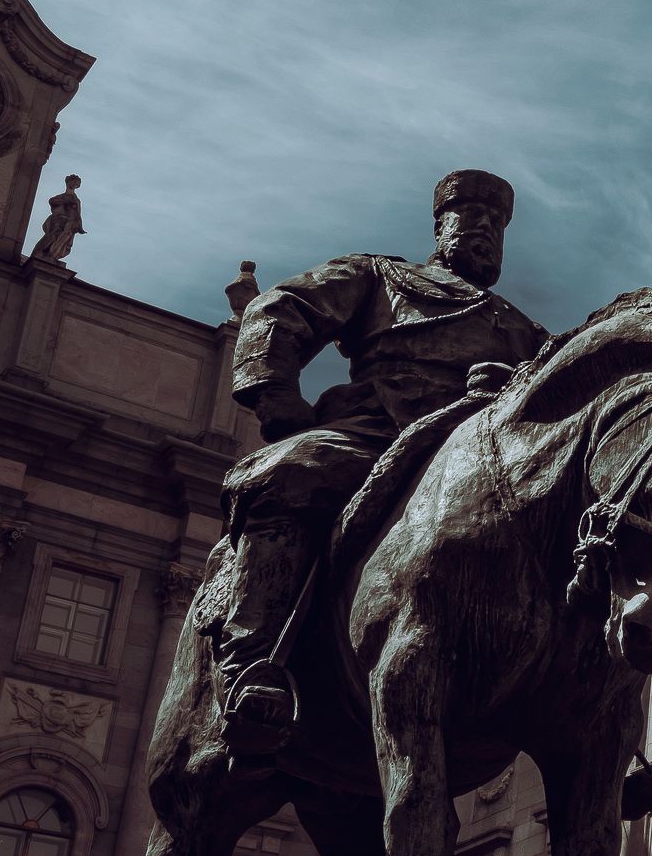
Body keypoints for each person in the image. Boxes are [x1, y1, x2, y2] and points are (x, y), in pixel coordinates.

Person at [206, 169, 550, 755]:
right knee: (293, 472)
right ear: (441, 225)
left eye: (497, 223)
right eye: (472, 216)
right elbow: (281, 309)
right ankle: (252, 662)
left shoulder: (524, 331)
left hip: (480, 454)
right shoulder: (381, 276)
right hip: (381, 430)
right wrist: (278, 396)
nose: (486, 230)